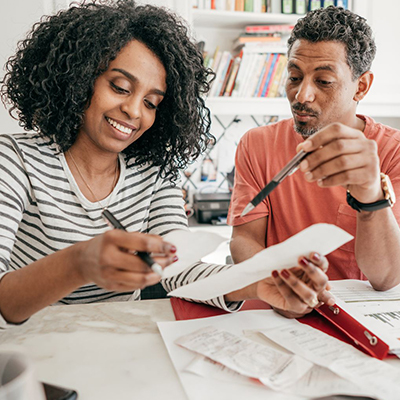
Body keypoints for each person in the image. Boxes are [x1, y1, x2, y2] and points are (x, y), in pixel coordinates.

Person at [0, 0, 332, 328]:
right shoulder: (15, 161)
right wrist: (78, 264)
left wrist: (261, 283)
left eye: (151, 102)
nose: (134, 111)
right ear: (80, 78)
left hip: (117, 347)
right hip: (30, 352)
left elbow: (181, 271)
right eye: (120, 87)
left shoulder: (153, 174)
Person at [228, 6, 400, 318]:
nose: (301, 95)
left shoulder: (392, 153)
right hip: (276, 312)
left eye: (323, 81)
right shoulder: (256, 144)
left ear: (360, 86)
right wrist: (279, 283)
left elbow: (386, 277)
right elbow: (244, 239)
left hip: (354, 319)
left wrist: (370, 191)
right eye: (294, 77)